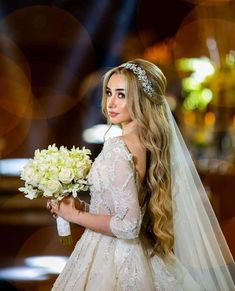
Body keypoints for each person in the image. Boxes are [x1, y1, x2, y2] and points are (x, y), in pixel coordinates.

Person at [48, 59, 235, 290]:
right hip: (135, 252)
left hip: (111, 257)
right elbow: (121, 209)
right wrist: (80, 208)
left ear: (140, 100)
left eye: (121, 95)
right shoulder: (145, 145)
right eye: (109, 93)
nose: (111, 102)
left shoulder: (118, 147)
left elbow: (128, 225)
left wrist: (75, 217)